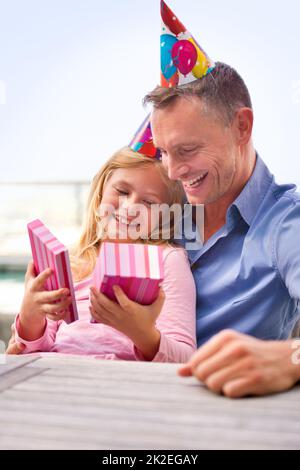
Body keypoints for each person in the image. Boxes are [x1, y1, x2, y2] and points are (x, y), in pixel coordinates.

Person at [144, 60, 300, 396]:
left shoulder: (287, 224)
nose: (172, 172)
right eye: (163, 153)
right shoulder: (164, 208)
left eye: (187, 150)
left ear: (242, 126)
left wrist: (290, 358)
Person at [7, 146, 197, 362]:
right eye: (123, 191)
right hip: (59, 372)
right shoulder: (73, 263)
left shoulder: (166, 259)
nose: (130, 207)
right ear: (100, 192)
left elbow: (185, 358)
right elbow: (32, 349)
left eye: (149, 202)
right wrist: (31, 314)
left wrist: (142, 333)